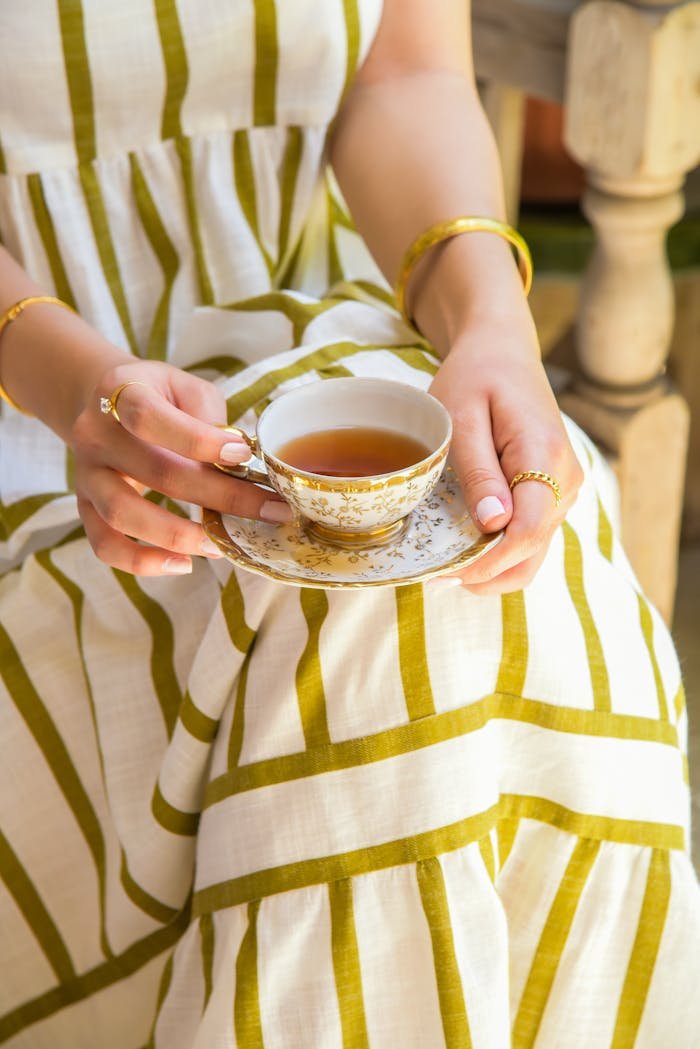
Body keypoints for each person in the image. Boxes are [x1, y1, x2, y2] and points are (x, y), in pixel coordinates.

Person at [0, 1, 697, 1046]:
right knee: (353, 624)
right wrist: (71, 383)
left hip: (306, 327)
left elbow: (400, 80)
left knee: (471, 573)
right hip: (31, 414)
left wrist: (489, 320)